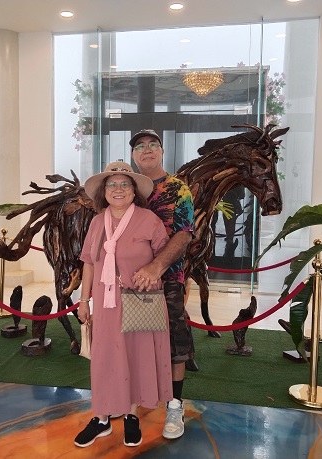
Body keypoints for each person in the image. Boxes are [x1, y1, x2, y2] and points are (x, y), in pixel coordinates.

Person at [74, 161, 172, 448]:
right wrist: (83, 300)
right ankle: (101, 418)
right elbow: (89, 263)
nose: (118, 189)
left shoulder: (148, 219)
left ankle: (131, 416)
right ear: (104, 191)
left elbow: (164, 256)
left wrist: (152, 271)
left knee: (134, 356)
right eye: (112, 184)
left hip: (138, 300)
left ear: (134, 190)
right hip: (105, 303)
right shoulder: (97, 222)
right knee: (104, 358)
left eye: (124, 184)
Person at [130, 129, 195, 440]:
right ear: (133, 155)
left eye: (153, 145)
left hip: (167, 279)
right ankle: (136, 400)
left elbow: (184, 233)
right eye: (140, 146)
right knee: (137, 341)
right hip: (132, 281)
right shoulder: (128, 189)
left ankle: (174, 404)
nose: (147, 150)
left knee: (175, 344)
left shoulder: (178, 189)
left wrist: (158, 266)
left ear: (162, 151)